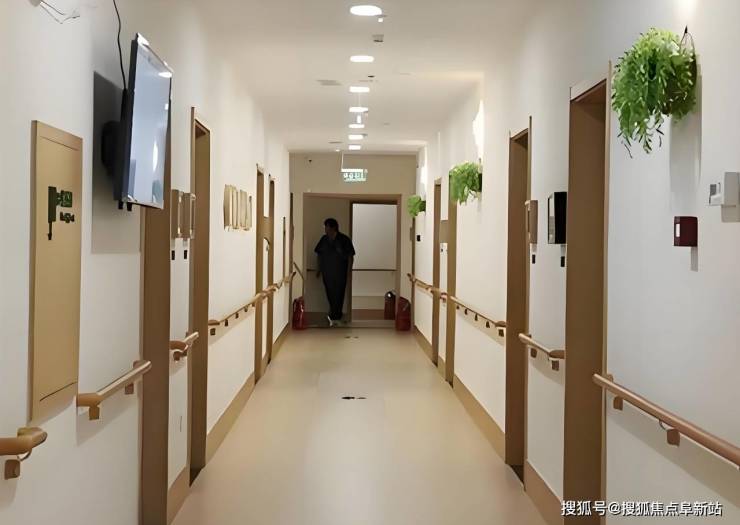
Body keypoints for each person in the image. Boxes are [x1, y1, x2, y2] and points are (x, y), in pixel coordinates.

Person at [314, 218, 355, 326]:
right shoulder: (324, 239)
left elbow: (350, 257)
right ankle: (334, 315)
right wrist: (318, 269)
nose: (325, 229)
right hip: (327, 273)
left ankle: (336, 316)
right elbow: (319, 254)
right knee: (330, 294)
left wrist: (349, 272)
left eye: (326, 227)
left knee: (339, 295)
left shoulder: (344, 239)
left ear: (333, 228)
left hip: (340, 273)